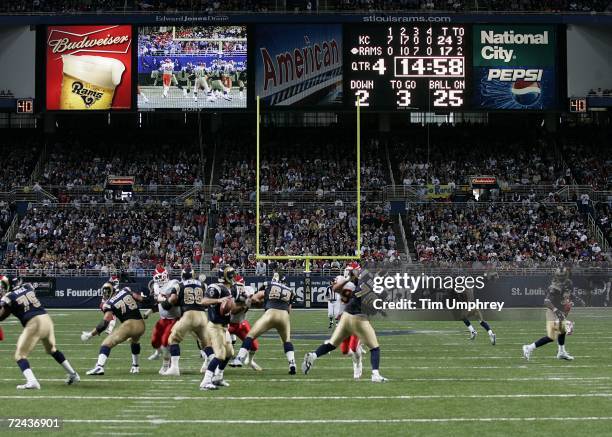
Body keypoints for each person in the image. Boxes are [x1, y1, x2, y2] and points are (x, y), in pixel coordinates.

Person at [0, 275, 79, 389]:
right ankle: (73, 374)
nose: (2, 288)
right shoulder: (28, 286)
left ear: (10, 285)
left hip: (34, 322)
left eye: (3, 285)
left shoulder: (8, 296)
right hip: (46, 319)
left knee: (20, 355)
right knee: (52, 350)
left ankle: (32, 382)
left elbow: (3, 315)